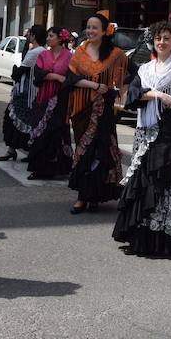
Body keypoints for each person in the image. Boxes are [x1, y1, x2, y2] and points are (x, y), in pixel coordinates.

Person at [114, 22, 171, 256]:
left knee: (164, 184)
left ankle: (164, 242)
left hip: (167, 135)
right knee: (142, 183)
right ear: (154, 41)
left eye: (167, 39)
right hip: (144, 131)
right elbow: (132, 98)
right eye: (158, 38)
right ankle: (140, 239)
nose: (162, 42)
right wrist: (157, 94)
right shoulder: (145, 69)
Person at [66, 14, 129, 214]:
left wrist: (120, 92)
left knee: (101, 152)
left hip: (104, 111)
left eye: (95, 28)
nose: (90, 31)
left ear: (104, 31)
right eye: (88, 27)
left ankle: (95, 195)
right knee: (83, 151)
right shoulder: (79, 52)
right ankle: (82, 196)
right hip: (82, 109)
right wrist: (95, 85)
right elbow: (70, 79)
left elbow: (129, 75)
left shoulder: (116, 54)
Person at [26, 27, 73, 180]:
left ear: (60, 39)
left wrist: (56, 78)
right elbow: (38, 74)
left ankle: (59, 168)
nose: (48, 38)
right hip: (43, 98)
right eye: (47, 35)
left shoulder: (69, 56)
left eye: (51, 36)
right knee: (41, 132)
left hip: (60, 99)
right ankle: (38, 169)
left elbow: (71, 77)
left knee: (57, 132)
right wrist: (56, 77)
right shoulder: (43, 55)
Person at [0, 26, 47, 162]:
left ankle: (12, 150)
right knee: (31, 121)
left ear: (33, 36)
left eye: (29, 34)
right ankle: (25, 150)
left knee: (12, 118)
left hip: (24, 92)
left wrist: (15, 72)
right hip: (34, 92)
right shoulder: (43, 51)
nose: (27, 36)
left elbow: (20, 72)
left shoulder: (34, 52)